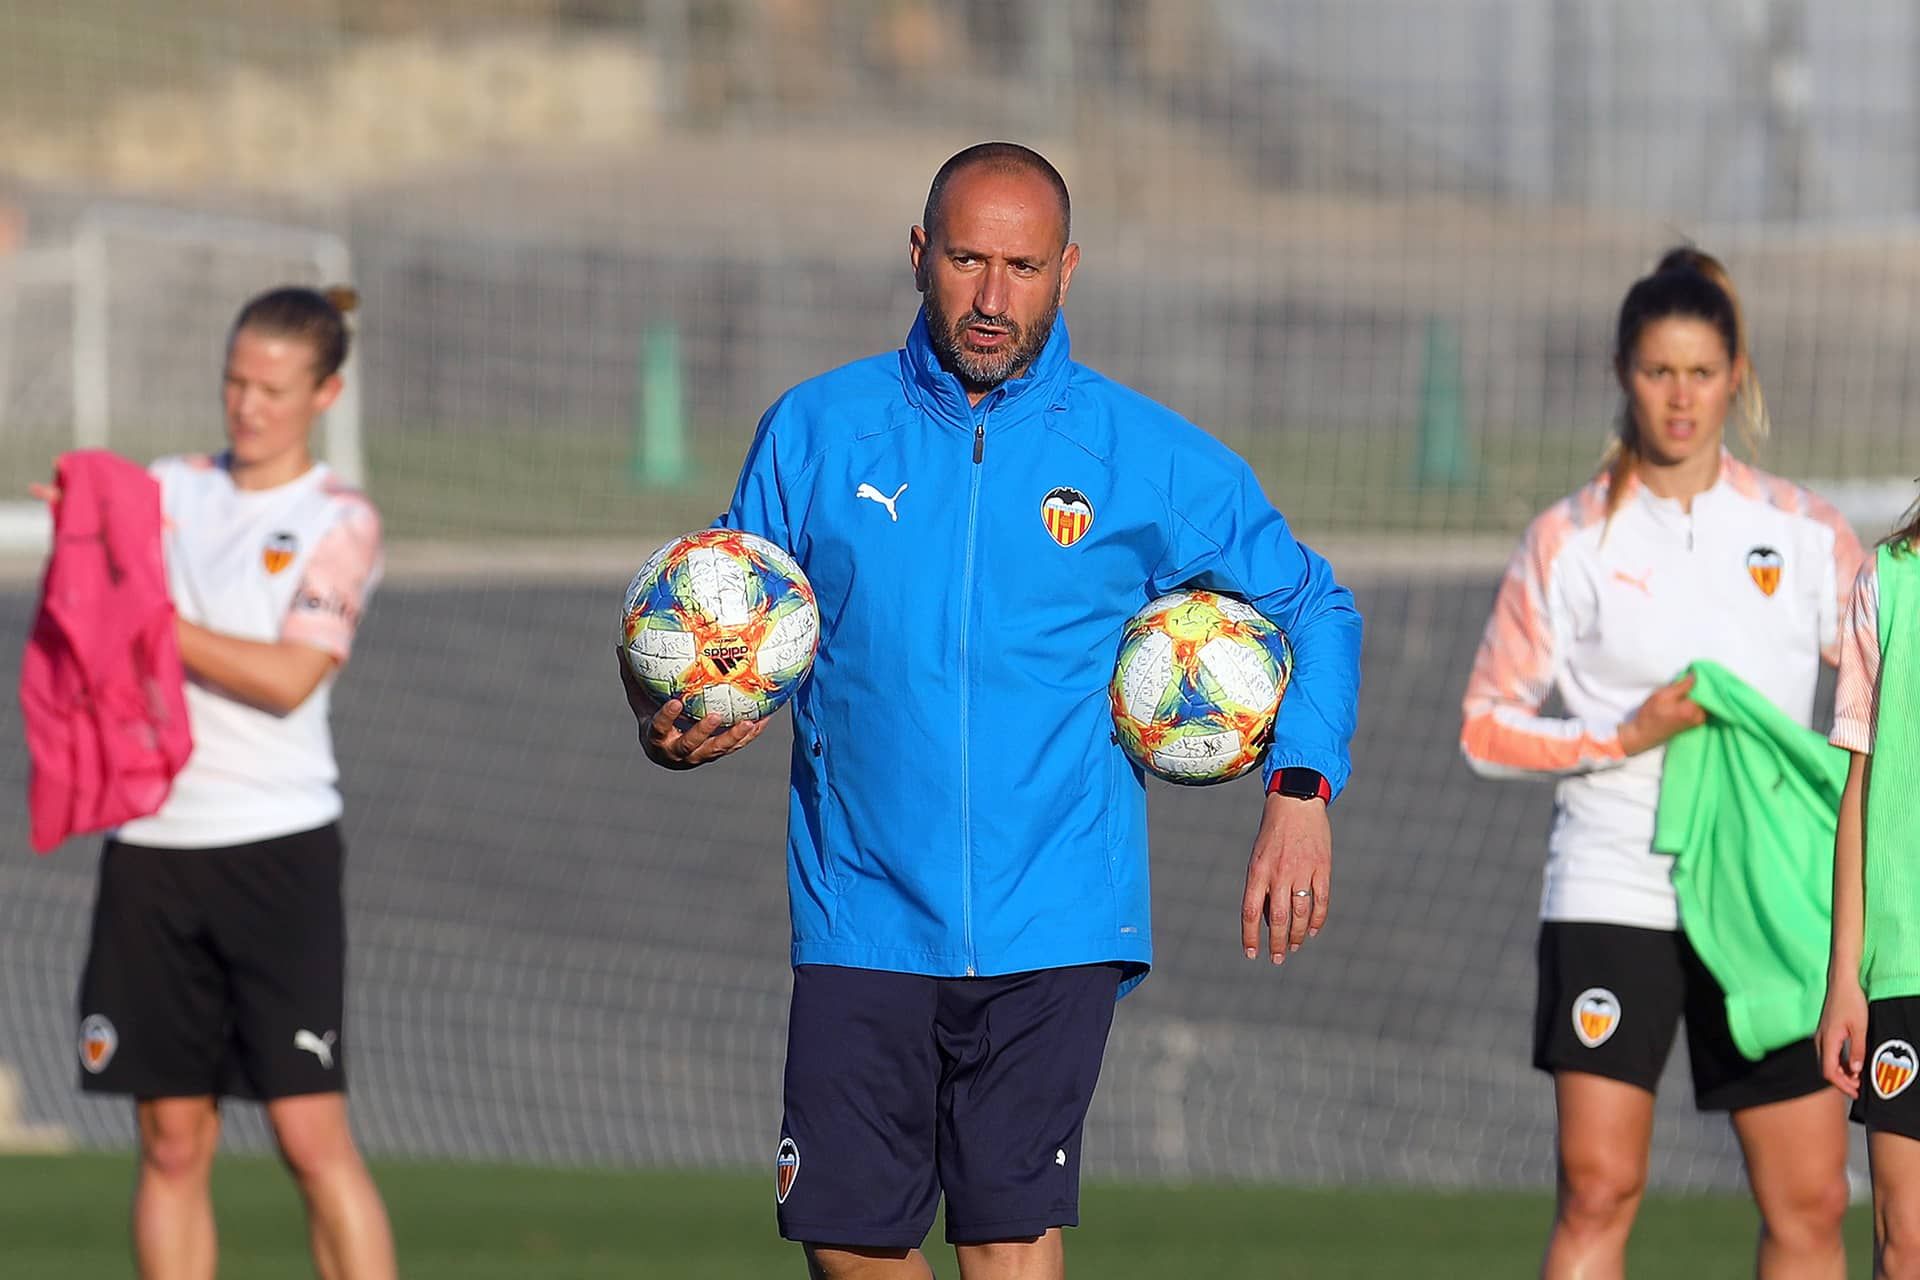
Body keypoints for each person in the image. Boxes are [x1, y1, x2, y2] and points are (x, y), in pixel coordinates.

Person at [619, 142, 1362, 1279]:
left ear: (1068, 270)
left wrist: (1300, 786)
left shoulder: (1141, 452)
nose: (992, 295)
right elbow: (729, 632)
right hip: (862, 904)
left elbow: (1317, 604)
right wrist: (669, 726)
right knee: (845, 1238)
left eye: (1022, 265)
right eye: (967, 259)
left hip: (1056, 909)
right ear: (921, 254)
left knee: (1008, 1234)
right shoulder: (816, 430)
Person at [1460, 247, 1862, 1278]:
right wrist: (1621, 736)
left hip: (1777, 891)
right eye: (1656, 370)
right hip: (1613, 879)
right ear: (1620, 372)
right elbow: (1485, 723)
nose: (1679, 397)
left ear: (1738, 374)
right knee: (1600, 1185)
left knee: (1811, 1199)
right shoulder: (1568, 538)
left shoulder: (1806, 531)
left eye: (1700, 371)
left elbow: (1885, 685)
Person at [45, 286, 396, 1280]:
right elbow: (93, 603)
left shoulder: (340, 518)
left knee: (306, 1130)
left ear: (324, 392)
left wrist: (149, 615)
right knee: (168, 1135)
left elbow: (289, 677)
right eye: (235, 381)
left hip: (275, 849)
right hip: (153, 846)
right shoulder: (165, 485)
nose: (246, 405)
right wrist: (84, 543)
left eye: (273, 388)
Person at [1817, 496, 1920, 1278]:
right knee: (1906, 1235)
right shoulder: (1888, 579)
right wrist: (1843, 977)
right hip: (1903, 963)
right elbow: (1859, 784)